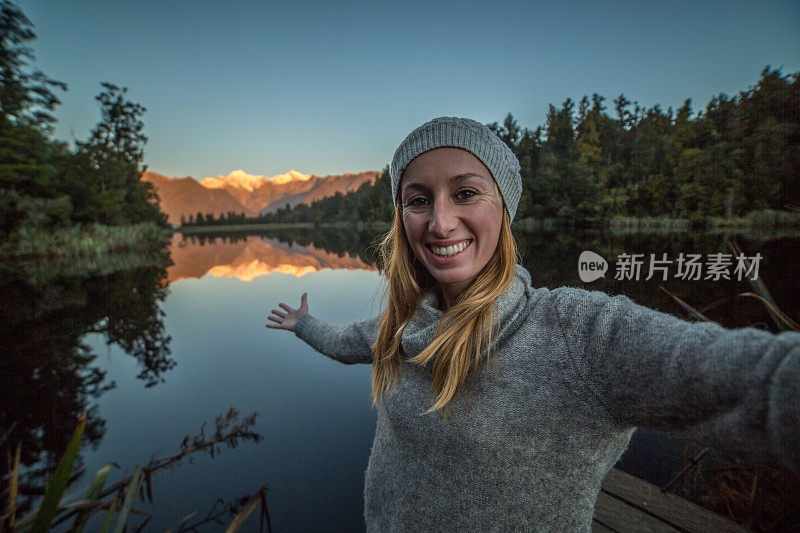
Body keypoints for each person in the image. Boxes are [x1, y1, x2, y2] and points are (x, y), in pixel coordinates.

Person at [266, 116, 800, 532]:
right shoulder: (401, 324)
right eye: (418, 200)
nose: (440, 221)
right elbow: (344, 342)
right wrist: (303, 324)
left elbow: (763, 382)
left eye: (466, 193)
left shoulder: (578, 336)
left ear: (504, 208)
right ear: (402, 218)